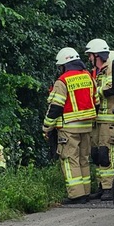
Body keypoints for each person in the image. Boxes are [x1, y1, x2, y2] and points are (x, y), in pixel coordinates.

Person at [44, 47, 97, 204]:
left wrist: (46, 128)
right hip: (87, 126)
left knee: (69, 160)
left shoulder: (63, 81)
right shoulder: (88, 77)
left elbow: (55, 108)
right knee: (83, 159)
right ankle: (86, 192)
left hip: (69, 128)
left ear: (64, 65)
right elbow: (97, 101)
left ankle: (76, 195)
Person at [85, 40, 114, 200]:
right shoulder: (97, 71)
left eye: (90, 56)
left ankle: (110, 188)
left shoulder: (110, 70)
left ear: (97, 55)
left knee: (106, 153)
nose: (89, 59)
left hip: (109, 120)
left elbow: (110, 90)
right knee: (97, 154)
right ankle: (102, 185)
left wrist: (94, 92)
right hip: (99, 120)